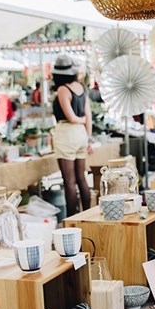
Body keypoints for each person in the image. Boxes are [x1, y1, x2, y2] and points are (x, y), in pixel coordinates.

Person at [51, 55, 92, 216]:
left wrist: (80, 119)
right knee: (81, 178)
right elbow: (89, 116)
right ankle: (88, 215)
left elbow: (71, 117)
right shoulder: (81, 87)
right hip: (81, 135)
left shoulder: (63, 90)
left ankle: (73, 220)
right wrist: (88, 139)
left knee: (69, 182)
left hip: (67, 133)